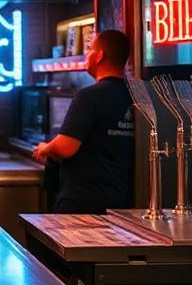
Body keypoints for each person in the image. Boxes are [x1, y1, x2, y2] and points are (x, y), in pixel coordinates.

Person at [32, 29, 134, 214]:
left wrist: (45, 148)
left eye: (90, 49)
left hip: (82, 202)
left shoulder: (89, 96)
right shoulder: (133, 96)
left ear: (100, 55)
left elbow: (65, 147)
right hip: (120, 201)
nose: (87, 55)